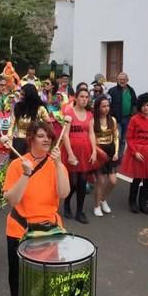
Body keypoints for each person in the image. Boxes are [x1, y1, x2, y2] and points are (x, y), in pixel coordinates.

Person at [3, 121, 70, 296]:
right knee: (19, 277)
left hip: (50, 229)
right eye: (41, 136)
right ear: (31, 138)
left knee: (54, 274)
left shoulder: (56, 164)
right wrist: (25, 175)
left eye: (49, 136)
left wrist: (60, 165)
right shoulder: (17, 165)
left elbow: (63, 193)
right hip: (20, 230)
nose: (47, 140)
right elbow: (12, 200)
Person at [119, 93, 148, 214]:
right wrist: (134, 152)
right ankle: (132, 202)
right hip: (138, 151)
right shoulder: (134, 119)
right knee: (137, 178)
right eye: (144, 105)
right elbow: (129, 138)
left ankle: (143, 203)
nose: (146, 108)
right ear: (140, 106)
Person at [62, 87, 97, 223]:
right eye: (81, 96)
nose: (84, 99)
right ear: (76, 98)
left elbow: (91, 134)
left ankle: (79, 211)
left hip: (85, 151)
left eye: (86, 97)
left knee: (83, 182)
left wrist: (94, 151)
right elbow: (65, 135)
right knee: (72, 182)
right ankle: (66, 203)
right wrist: (70, 154)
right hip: (72, 150)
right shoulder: (69, 113)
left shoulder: (89, 114)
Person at [7, 84, 51, 159]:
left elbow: (48, 125)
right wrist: (9, 140)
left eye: (23, 94)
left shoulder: (40, 109)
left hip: (35, 141)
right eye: (20, 93)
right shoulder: (17, 107)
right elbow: (11, 125)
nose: (20, 96)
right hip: (19, 142)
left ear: (30, 95)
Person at [92, 95, 119, 217]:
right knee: (101, 181)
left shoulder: (112, 120)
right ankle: (97, 205)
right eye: (103, 106)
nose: (106, 108)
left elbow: (116, 137)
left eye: (108, 106)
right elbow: (91, 140)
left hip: (111, 151)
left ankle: (103, 199)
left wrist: (117, 152)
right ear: (98, 107)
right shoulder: (93, 121)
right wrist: (97, 151)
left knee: (113, 181)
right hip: (99, 153)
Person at [107, 72, 137, 155]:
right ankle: (114, 156)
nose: (122, 81)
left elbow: (135, 103)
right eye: (120, 79)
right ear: (117, 80)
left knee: (124, 139)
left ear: (127, 80)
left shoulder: (131, 90)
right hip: (116, 119)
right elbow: (107, 104)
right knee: (117, 137)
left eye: (124, 79)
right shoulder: (112, 91)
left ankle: (120, 158)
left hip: (127, 119)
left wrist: (133, 115)